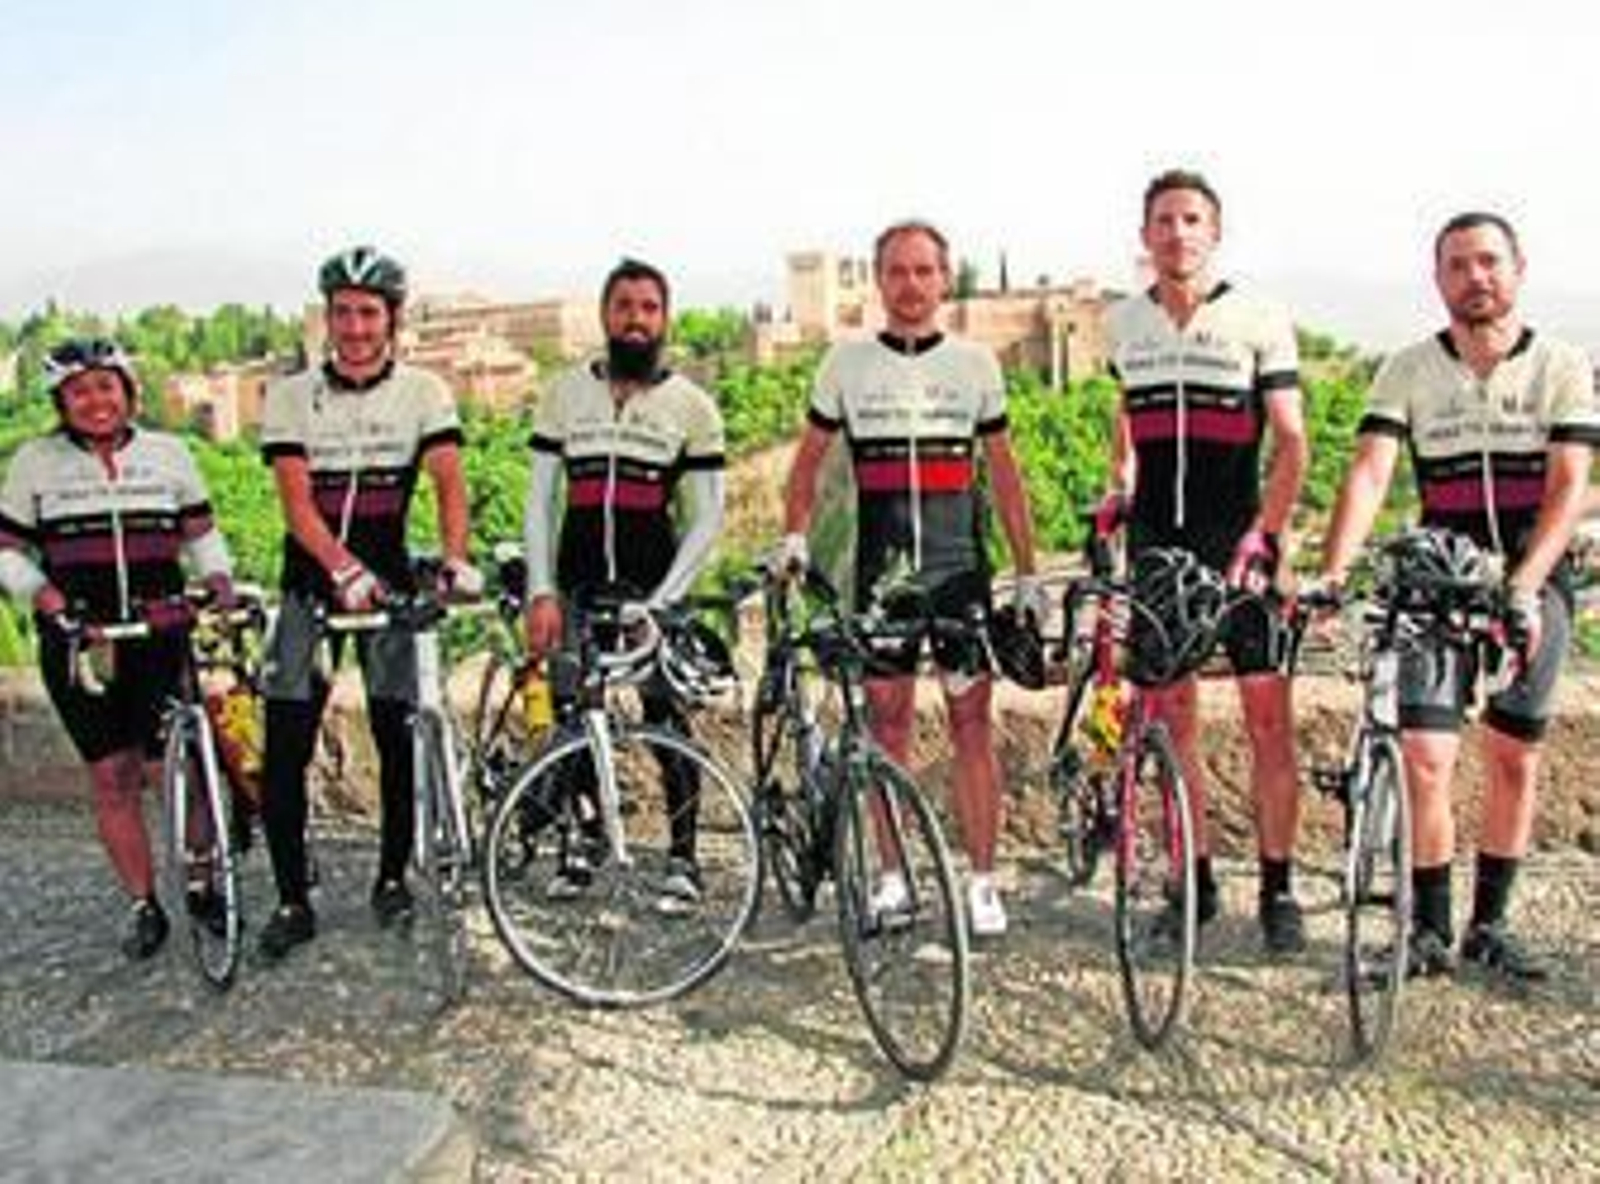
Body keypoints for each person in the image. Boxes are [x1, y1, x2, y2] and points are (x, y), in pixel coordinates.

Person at [1318, 211, 1598, 982]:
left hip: (1530, 572)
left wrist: (1524, 588)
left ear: (1518, 269)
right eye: (1457, 266)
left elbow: (1571, 485)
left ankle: (1492, 925)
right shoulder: (1407, 368)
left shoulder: (1563, 366)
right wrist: (1334, 570)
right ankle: (1430, 931)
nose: (1476, 278)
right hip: (1438, 579)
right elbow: (1372, 472)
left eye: (1489, 263)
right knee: (1426, 756)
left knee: (1513, 755)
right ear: (1438, 279)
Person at [780, 219, 1043, 937]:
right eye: (897, 271)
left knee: (971, 728)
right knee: (887, 725)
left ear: (944, 277)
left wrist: (1026, 571)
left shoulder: (975, 365)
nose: (911, 285)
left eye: (925, 271)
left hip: (961, 573)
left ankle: (983, 883)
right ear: (878, 279)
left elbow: (1007, 476)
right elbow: (806, 464)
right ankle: (894, 877)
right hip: (881, 578)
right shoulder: (844, 364)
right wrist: (797, 536)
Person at [1102, 169, 1310, 953]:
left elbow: (1292, 441)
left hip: (1241, 542)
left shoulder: (1258, 318)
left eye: (1192, 219)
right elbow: (1125, 416)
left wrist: (1269, 531)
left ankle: (1280, 889)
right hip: (1157, 542)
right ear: (1146, 234)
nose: (1178, 233)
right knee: (1169, 719)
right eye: (1164, 220)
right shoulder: (1124, 324)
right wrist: (1117, 485)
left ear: (1214, 233)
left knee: (1268, 722)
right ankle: (1194, 881)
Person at [256, 246, 479, 961]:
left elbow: (447, 481)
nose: (353, 327)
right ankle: (292, 898)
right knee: (286, 745)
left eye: (367, 313)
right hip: (310, 584)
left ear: (392, 319)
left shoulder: (423, 391)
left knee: (396, 737)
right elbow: (297, 505)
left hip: (388, 581)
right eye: (342, 312)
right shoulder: (292, 396)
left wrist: (454, 558)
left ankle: (391, 878)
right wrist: (340, 568)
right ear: (327, 317)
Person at [0, 338, 236, 959]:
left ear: (128, 392)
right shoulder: (35, 462)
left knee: (173, 768)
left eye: (106, 387)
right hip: (81, 640)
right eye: (79, 391)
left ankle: (205, 882)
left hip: (159, 633)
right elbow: (7, 550)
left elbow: (201, 534)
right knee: (112, 776)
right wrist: (46, 599)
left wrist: (218, 581)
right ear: (61, 401)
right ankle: (144, 902)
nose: (95, 401)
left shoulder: (168, 454)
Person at [523, 257, 725, 904]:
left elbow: (708, 515)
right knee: (575, 719)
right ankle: (580, 845)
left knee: (667, 722)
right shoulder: (564, 393)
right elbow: (540, 501)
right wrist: (541, 589)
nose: (636, 320)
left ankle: (684, 857)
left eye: (649, 308)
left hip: (652, 585)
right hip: (579, 582)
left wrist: (664, 604)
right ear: (605, 315)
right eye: (624, 307)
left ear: (665, 319)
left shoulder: (691, 407)